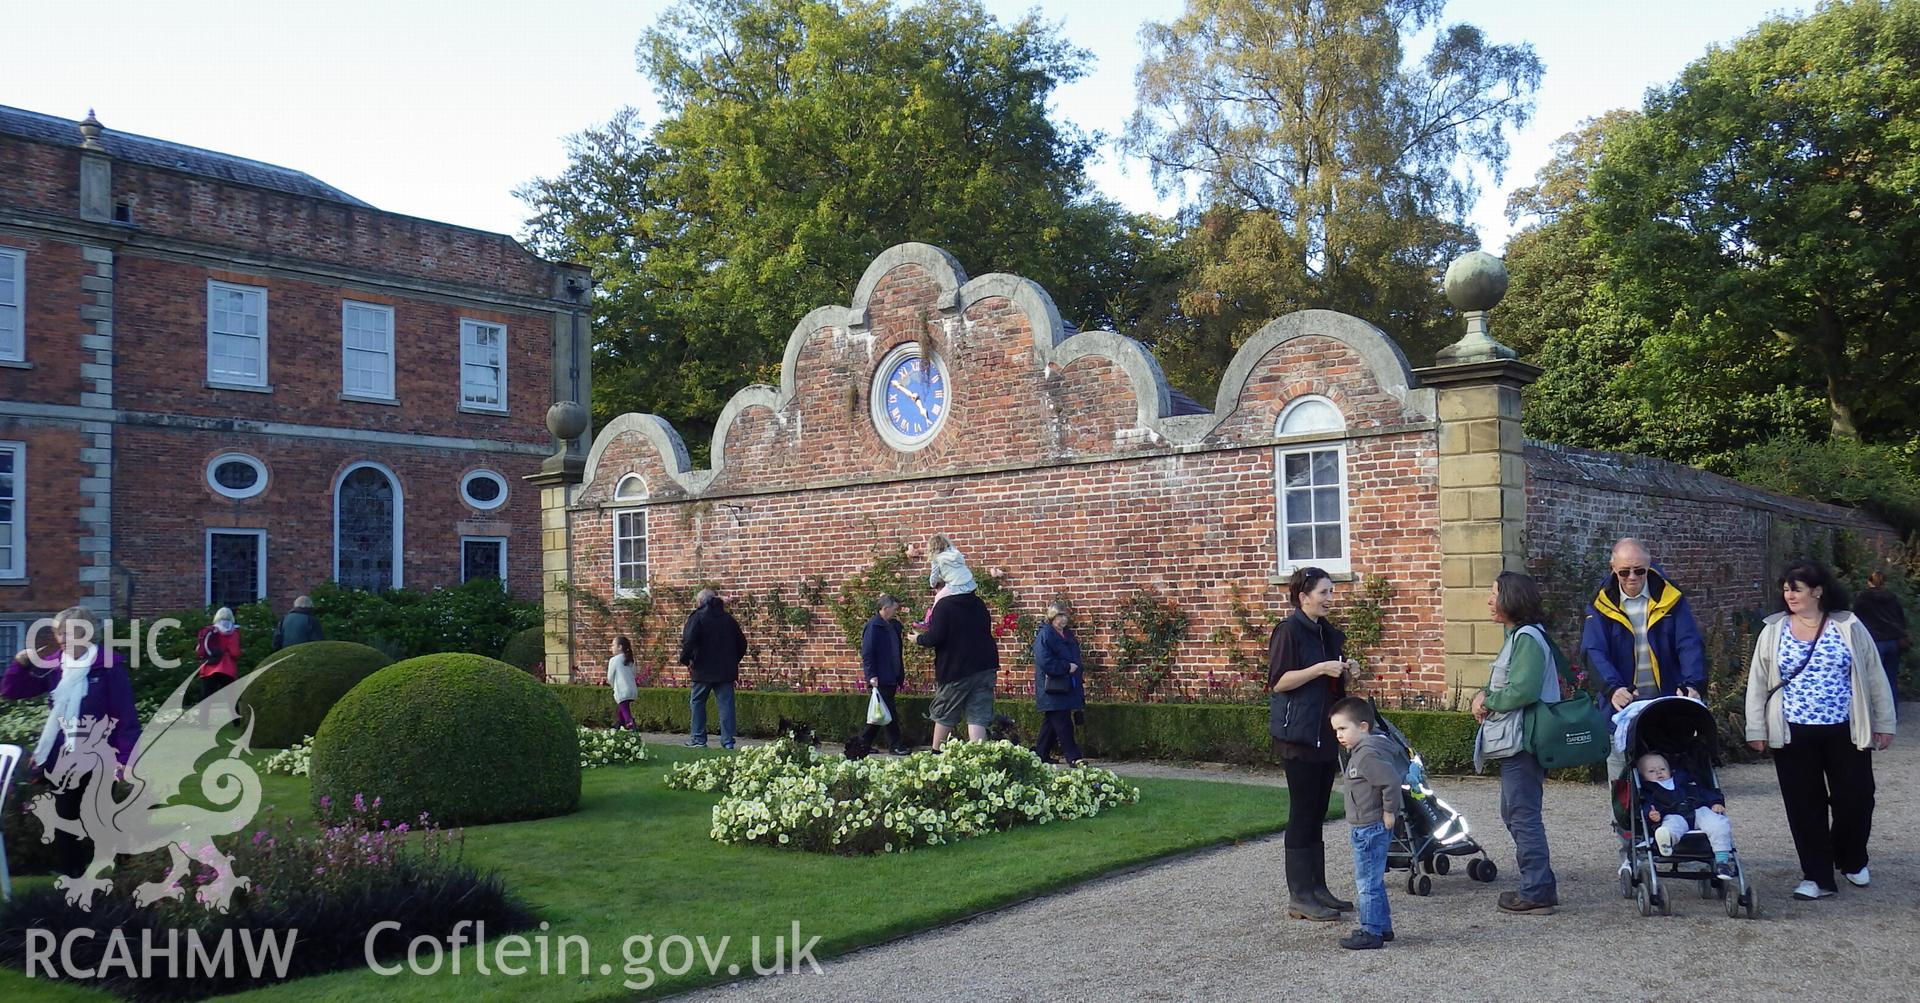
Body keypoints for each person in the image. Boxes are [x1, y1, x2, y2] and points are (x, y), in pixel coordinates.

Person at [1744, 559, 1895, 901]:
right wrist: (1756, 727)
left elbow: (1874, 676)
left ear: (1817, 590)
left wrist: (1884, 723)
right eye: (1785, 589)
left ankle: (1852, 858)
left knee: (1856, 799)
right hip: (1794, 732)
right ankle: (1817, 875)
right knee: (1804, 805)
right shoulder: (1774, 630)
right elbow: (1757, 682)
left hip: (1844, 728)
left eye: (1796, 589)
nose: (1789, 596)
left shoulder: (1848, 625)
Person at [1, 606, 141, 876]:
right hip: (63, 757)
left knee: (101, 820)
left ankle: (114, 879)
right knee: (65, 821)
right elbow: (11, 690)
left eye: (69, 632)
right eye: (58, 632)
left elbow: (125, 717)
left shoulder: (108, 665)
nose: (62, 638)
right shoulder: (54, 666)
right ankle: (71, 881)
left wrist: (126, 759)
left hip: (100, 756)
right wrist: (20, 664)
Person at [1267, 566, 1356, 922]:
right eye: (1323, 593)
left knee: (1317, 811)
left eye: (1331, 592)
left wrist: (1346, 670)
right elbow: (1279, 681)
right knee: (1302, 812)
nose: (1330, 599)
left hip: (1325, 733)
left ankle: (1317, 888)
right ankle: (1300, 895)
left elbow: (1329, 683)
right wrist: (1320, 668)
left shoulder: (1325, 633)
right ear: (1303, 597)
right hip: (1299, 736)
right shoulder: (1288, 632)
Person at [1471, 571, 1563, 915]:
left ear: (1512, 598)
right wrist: (1486, 693)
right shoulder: (1520, 636)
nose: (1489, 600)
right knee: (1515, 811)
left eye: (1495, 593)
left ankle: (1536, 890)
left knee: (1522, 814)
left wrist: (1488, 701)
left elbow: (1522, 690)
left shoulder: (1526, 637)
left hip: (1523, 741)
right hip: (1518, 740)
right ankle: (1541, 883)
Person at [1582, 538, 1707, 712]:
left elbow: (1689, 643)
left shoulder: (1671, 597)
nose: (1632, 577)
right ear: (1613, 569)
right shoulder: (1600, 605)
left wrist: (1693, 684)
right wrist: (1613, 689)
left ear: (1648, 567)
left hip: (1670, 699)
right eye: (1624, 572)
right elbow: (1593, 650)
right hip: (1623, 703)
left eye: (1639, 571)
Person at [1330, 697, 1405, 950]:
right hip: (1365, 824)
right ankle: (1382, 926)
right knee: (1373, 879)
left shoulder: (1366, 755)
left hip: (1369, 826)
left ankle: (1370, 931)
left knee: (1367, 882)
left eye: (1343, 729)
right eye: (1336, 730)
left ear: (1363, 727)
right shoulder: (1362, 752)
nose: (1339, 735)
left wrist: (1389, 811)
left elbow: (1391, 782)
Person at [912, 578, 999, 751]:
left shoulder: (944, 606)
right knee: (978, 715)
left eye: (936, 587)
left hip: (956, 668)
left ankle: (936, 754)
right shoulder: (978, 603)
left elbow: (936, 636)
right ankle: (980, 758)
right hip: (985, 665)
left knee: (945, 713)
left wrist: (918, 639)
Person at [1636, 752, 1736, 878]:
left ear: (1670, 770)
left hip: (1698, 810)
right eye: (1651, 771)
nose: (1659, 772)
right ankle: (1667, 841)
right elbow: (1647, 806)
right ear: (1643, 776)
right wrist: (1651, 815)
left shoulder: (1683, 780)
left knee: (1718, 822)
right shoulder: (1650, 790)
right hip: (1672, 814)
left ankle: (1722, 861)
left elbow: (1703, 792)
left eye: (1662, 769)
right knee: (1671, 825)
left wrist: (1715, 802)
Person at [678, 588, 746, 749]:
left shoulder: (697, 618)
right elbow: (742, 643)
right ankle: (728, 741)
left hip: (702, 669)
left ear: (700, 602)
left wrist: (686, 660)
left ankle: (698, 738)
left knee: (697, 702)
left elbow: (688, 641)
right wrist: (733, 660)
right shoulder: (728, 619)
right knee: (726, 706)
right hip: (725, 671)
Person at [1032, 602, 1087, 767]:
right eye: (1059, 616)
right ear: (1052, 617)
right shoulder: (1045, 635)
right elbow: (1045, 661)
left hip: (1066, 685)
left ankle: (1039, 755)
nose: (1063, 620)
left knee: (1051, 723)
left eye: (1065, 616)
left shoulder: (1067, 634)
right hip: (1053, 687)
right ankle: (1074, 757)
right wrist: (1066, 667)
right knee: (1063, 723)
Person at [860, 595, 909, 755]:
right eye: (894, 609)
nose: (895, 612)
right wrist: (871, 675)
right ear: (885, 608)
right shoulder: (874, 626)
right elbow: (868, 652)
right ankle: (895, 745)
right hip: (881, 676)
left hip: (891, 674)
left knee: (880, 713)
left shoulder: (893, 626)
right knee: (889, 712)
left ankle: (862, 744)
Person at [1853, 572, 1908, 704]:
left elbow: (1856, 619)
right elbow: (1900, 618)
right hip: (1893, 641)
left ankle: (1876, 713)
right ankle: (1892, 712)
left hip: (1874, 641)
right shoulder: (1892, 598)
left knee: (1874, 679)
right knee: (1891, 678)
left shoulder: (1863, 598)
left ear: (1869, 581)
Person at [196, 607, 243, 706]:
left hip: (209, 668)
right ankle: (236, 721)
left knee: (205, 701)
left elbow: (200, 651)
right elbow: (235, 652)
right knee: (232, 700)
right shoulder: (234, 632)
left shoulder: (211, 630)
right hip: (228, 669)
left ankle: (203, 721)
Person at [608, 635, 640, 731]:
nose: (611, 648)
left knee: (626, 713)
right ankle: (618, 726)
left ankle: (631, 726)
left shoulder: (614, 660)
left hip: (621, 691)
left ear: (620, 647)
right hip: (631, 690)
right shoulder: (630, 660)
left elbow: (610, 677)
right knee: (622, 710)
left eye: (613, 645)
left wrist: (613, 686)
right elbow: (634, 673)